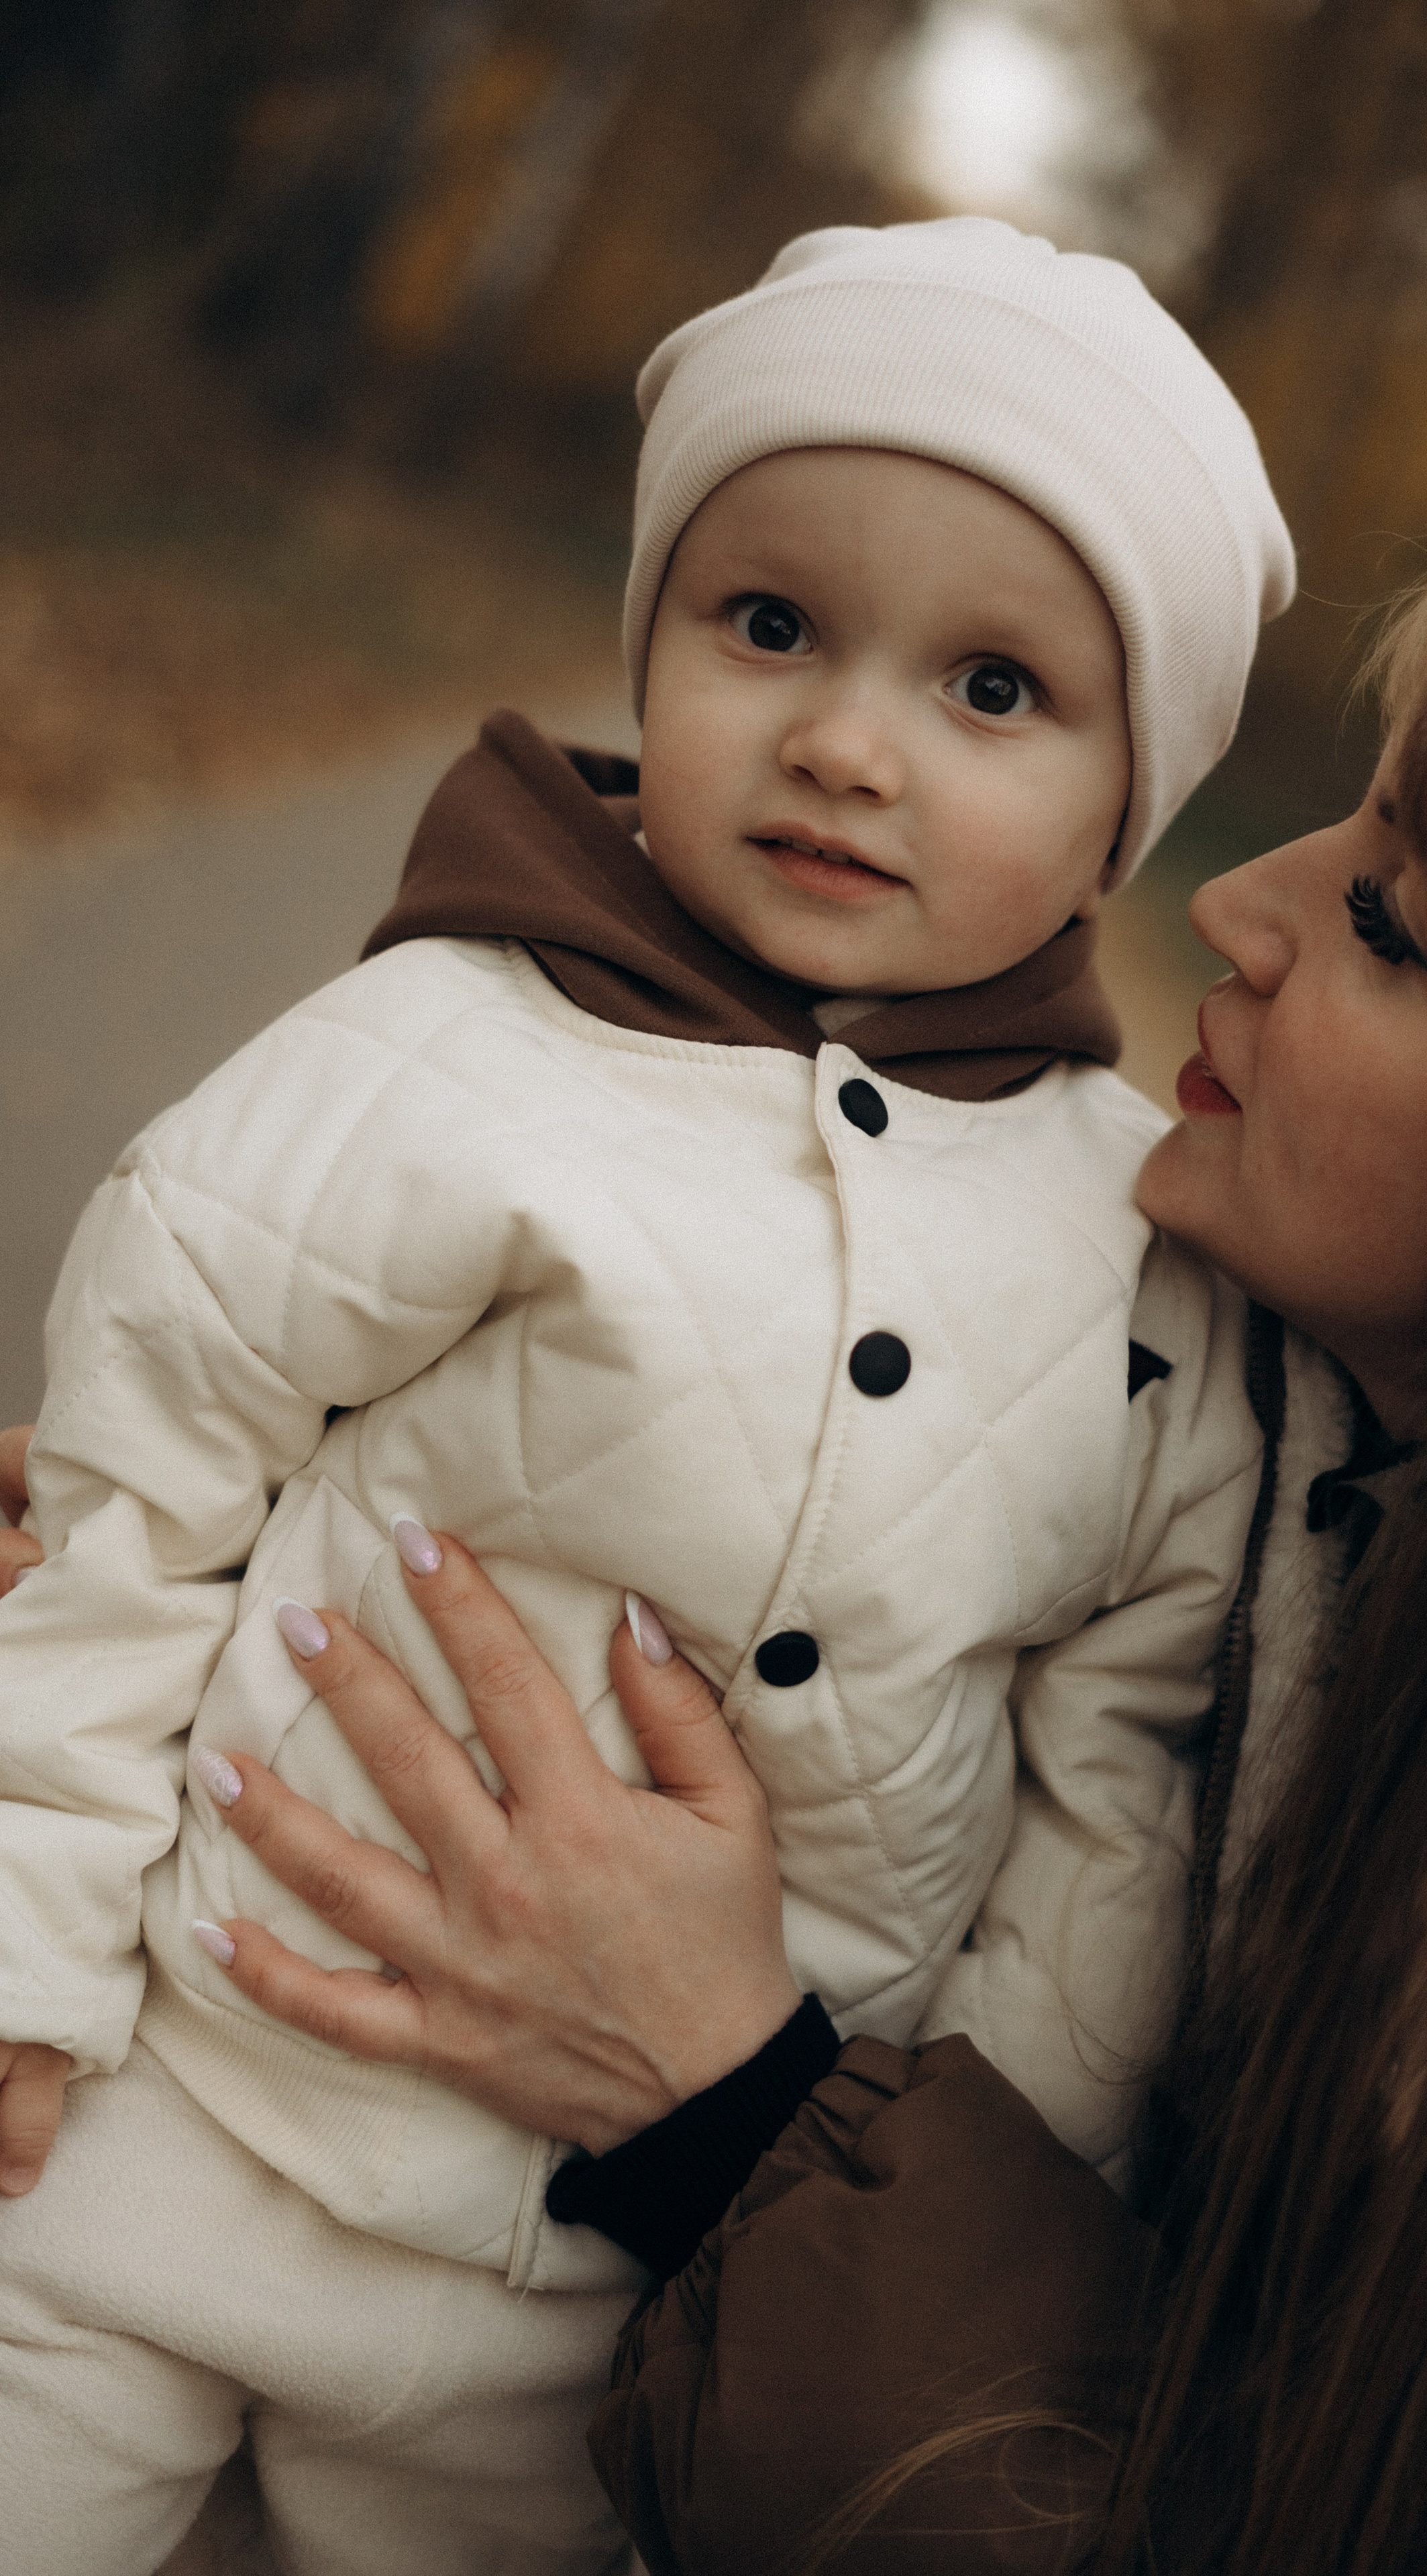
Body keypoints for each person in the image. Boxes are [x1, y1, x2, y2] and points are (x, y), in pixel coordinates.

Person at [24, 511, 1427, 2574]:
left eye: (1385, 924)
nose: (1243, 910)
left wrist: (737, 2120)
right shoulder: (1276, 1453)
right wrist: (220, 1547)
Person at [0, 218, 1296, 2576]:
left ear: (1134, 804)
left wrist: (947, 2191)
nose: (842, 736)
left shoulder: (1147, 1254)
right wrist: (23, 1941)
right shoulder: (458, 1047)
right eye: (768, 623)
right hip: (183, 2106)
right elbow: (134, 1488)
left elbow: (1113, 1782)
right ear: (653, 636)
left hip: (615, 2311)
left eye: (993, 688)